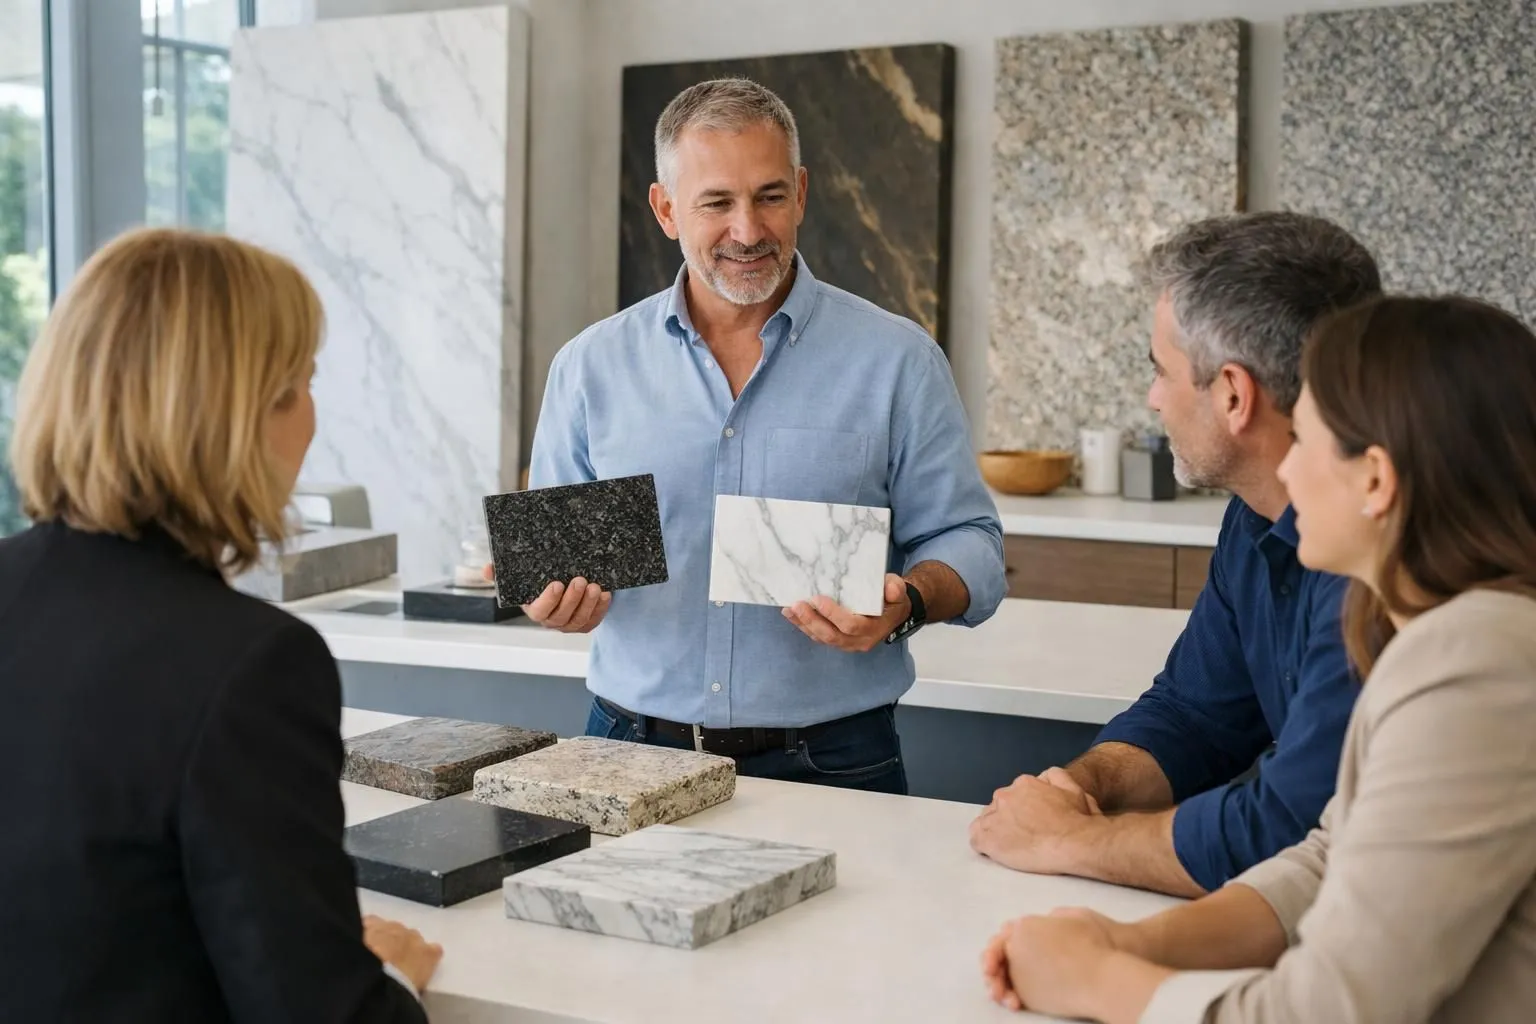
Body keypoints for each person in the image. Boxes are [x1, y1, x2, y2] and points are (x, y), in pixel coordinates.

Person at [981, 294, 1536, 1023]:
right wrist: (1133, 942)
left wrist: (1095, 982)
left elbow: (1328, 1011)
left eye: (1304, 441)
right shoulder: (1440, 633)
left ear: (1375, 479)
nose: (1288, 472)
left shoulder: (1478, 662)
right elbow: (1325, 857)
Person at [511, 78, 1005, 794]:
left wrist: (910, 602)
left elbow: (973, 544)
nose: (748, 230)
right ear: (665, 209)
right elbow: (552, 562)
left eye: (770, 196)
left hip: (835, 761)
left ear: (801, 194)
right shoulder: (589, 367)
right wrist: (549, 597)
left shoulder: (898, 362)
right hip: (627, 747)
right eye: (717, 202)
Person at [0, 228, 440, 1021]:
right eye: (302, 384)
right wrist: (395, 983)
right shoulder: (250, 665)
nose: (311, 417)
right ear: (243, 415)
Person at [970, 212, 1382, 896]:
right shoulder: (1253, 516)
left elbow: (1294, 830)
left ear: (1232, 395)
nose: (1152, 398)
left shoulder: (1382, 562)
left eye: (1161, 371)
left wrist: (1074, 838)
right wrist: (1080, 785)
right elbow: (1196, 716)